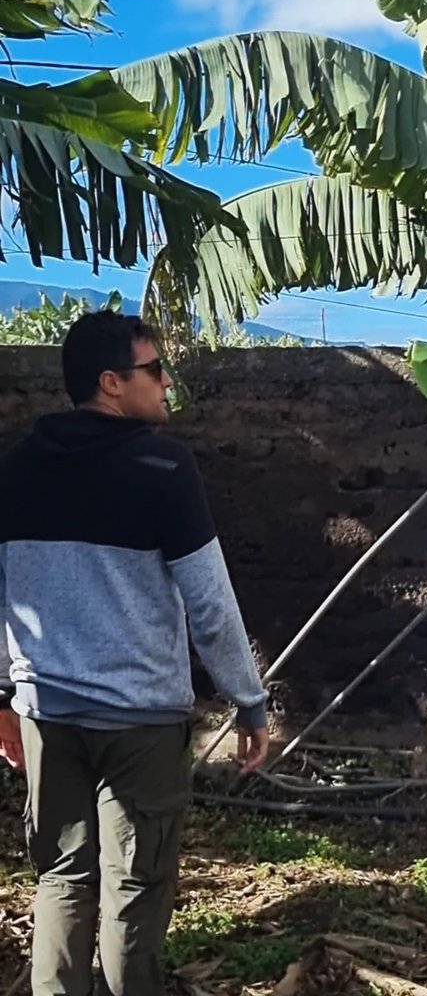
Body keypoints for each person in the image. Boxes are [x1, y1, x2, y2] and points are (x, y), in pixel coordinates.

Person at [0, 311, 269, 996]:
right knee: (136, 884)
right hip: (139, 722)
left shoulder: (17, 467)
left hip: (46, 716)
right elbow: (209, 600)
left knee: (62, 877)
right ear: (112, 383)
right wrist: (249, 700)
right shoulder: (162, 464)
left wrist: (3, 696)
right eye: (155, 371)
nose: (165, 383)